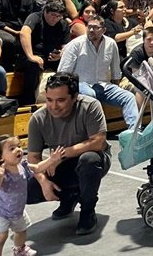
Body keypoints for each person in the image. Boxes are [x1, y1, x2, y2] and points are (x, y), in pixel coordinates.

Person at [26, 73, 110, 236]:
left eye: (61, 100)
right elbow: (33, 158)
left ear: (75, 97)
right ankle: (70, 196)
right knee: (27, 190)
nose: (54, 106)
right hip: (61, 164)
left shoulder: (90, 106)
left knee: (89, 160)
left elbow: (98, 142)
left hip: (94, 159)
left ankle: (88, 210)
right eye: (49, 100)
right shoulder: (38, 119)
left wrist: (60, 156)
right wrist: (44, 182)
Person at [0, 135, 65, 256]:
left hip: (17, 211)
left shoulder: (23, 165)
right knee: (1, 237)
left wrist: (52, 159)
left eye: (18, 146)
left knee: (21, 232)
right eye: (12, 148)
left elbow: (38, 167)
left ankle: (19, 249)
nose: (18, 150)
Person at [57, 15, 138, 129]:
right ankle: (94, 131)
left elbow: (115, 71)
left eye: (95, 27)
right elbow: (63, 72)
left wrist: (116, 87)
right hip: (80, 85)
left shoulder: (111, 44)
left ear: (104, 30)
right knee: (90, 94)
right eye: (89, 27)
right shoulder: (75, 44)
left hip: (103, 85)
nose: (91, 30)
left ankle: (135, 132)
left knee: (128, 97)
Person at [18, 0, 70, 105]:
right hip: (31, 56)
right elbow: (24, 33)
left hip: (51, 58)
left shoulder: (63, 24)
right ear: (45, 11)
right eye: (52, 15)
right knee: (32, 65)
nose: (55, 19)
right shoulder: (35, 17)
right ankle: (28, 102)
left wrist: (60, 55)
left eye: (58, 16)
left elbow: (66, 46)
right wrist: (31, 55)